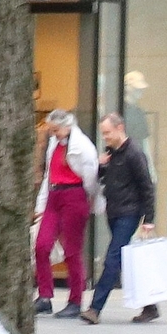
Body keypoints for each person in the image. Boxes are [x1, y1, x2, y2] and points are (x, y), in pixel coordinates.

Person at [85, 112, 159, 325]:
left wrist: (148, 219)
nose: (105, 137)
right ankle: (150, 306)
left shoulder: (135, 154)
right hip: (114, 212)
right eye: (103, 133)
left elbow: (147, 187)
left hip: (129, 212)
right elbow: (103, 179)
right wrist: (101, 165)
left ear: (120, 128)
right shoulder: (111, 153)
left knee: (113, 258)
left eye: (107, 132)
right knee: (124, 261)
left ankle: (94, 308)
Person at [33, 108, 100, 317]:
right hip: (55, 195)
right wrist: (40, 206)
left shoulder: (83, 147)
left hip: (74, 196)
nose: (54, 134)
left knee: (72, 250)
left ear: (67, 126)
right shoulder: (55, 143)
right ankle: (45, 295)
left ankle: (75, 299)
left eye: (56, 130)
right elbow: (48, 176)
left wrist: (88, 199)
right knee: (42, 245)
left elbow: (91, 177)